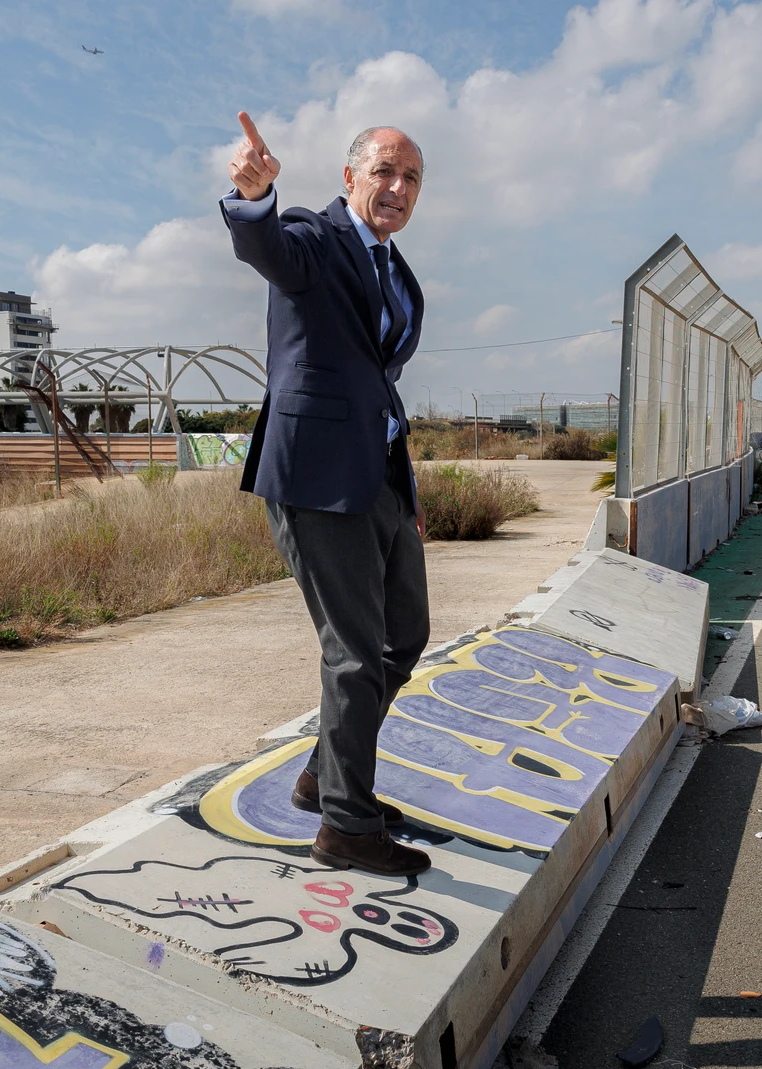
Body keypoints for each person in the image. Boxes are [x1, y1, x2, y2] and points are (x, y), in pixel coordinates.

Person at [220, 112, 432, 878]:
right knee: (354, 655)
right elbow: (266, 245)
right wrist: (254, 196)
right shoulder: (315, 235)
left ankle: (322, 780)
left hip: (376, 475)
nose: (397, 188)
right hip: (315, 477)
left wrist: (399, 485)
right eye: (383, 171)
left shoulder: (396, 271)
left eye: (410, 177)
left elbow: (376, 373)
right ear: (350, 178)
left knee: (402, 636)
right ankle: (347, 825)